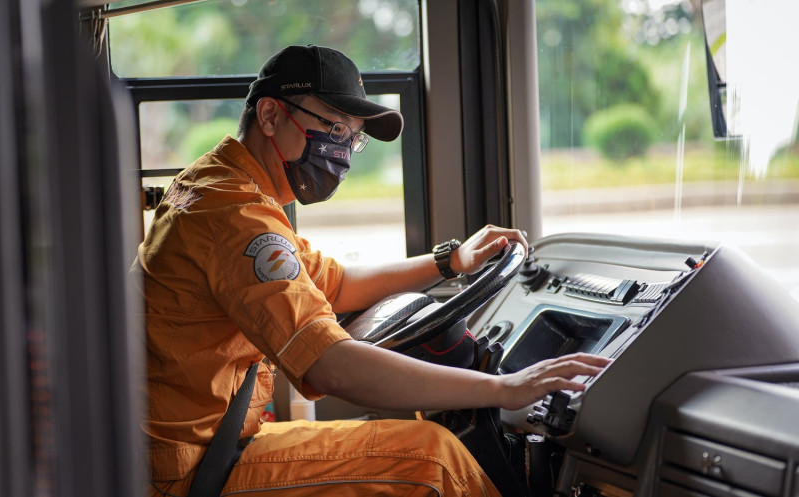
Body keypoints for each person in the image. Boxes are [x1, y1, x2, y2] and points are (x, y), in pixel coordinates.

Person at [133, 44, 611, 496]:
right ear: (271, 115)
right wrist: (502, 388)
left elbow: (334, 284)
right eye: (333, 128)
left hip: (191, 448)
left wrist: (450, 262)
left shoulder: (220, 184)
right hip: (189, 469)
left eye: (352, 137)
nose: (342, 151)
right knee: (435, 459)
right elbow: (332, 364)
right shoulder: (237, 216)